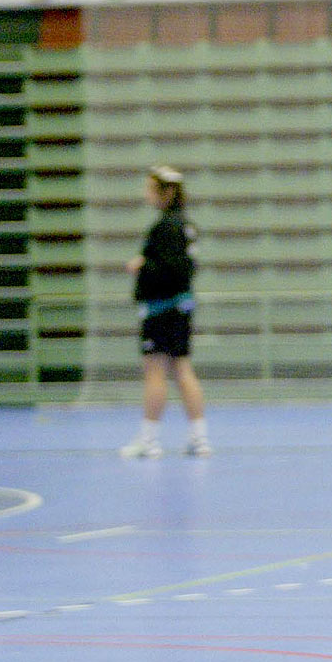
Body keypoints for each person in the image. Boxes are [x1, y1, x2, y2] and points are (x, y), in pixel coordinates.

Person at [121, 166, 211, 459]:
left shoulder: (167, 227)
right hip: (181, 309)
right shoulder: (186, 225)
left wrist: (142, 266)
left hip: (163, 310)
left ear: (166, 192)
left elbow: (171, 271)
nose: (145, 194)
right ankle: (199, 438)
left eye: (150, 188)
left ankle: (149, 440)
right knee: (182, 368)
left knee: (155, 371)